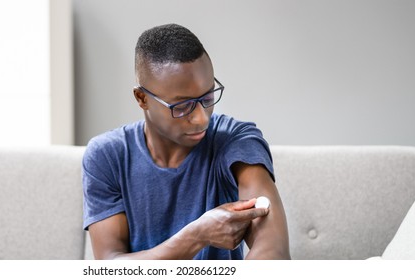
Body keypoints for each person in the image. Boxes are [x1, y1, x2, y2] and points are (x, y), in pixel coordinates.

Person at [82, 23, 290, 260]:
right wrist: (197, 235)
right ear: (142, 98)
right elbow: (109, 266)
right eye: (183, 106)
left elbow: (273, 252)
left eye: (208, 97)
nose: (202, 118)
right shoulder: (107, 156)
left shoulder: (236, 140)